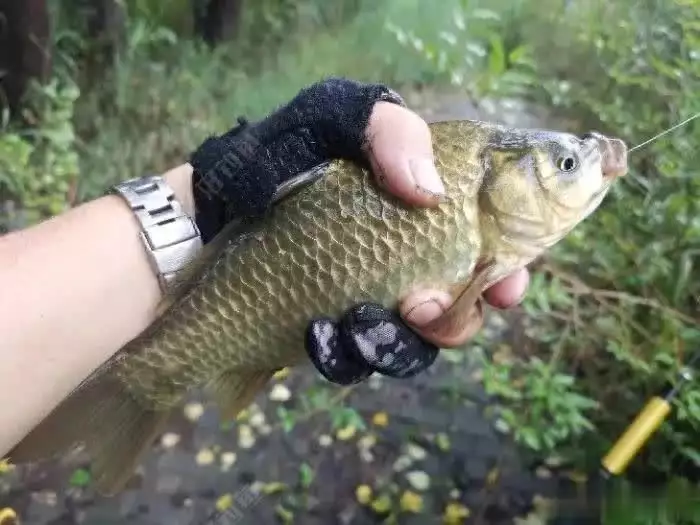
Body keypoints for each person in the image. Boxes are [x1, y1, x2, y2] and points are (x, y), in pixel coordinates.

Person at [0, 78, 528, 456]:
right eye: (566, 166)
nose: (584, 169)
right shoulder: (467, 172)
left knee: (410, 315)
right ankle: (139, 386)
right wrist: (210, 200)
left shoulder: (491, 234)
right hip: (251, 255)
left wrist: (196, 204)